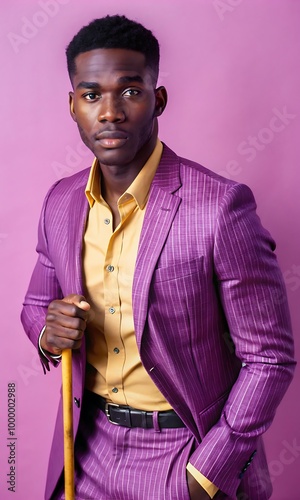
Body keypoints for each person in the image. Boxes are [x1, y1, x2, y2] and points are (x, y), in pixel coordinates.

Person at [21, 14, 295, 500]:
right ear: (72, 106)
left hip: (184, 451)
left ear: (158, 99)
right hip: (86, 448)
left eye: (129, 91)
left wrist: (207, 472)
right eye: (91, 95)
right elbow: (35, 305)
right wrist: (48, 330)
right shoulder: (60, 203)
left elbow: (269, 358)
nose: (109, 112)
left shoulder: (219, 207)